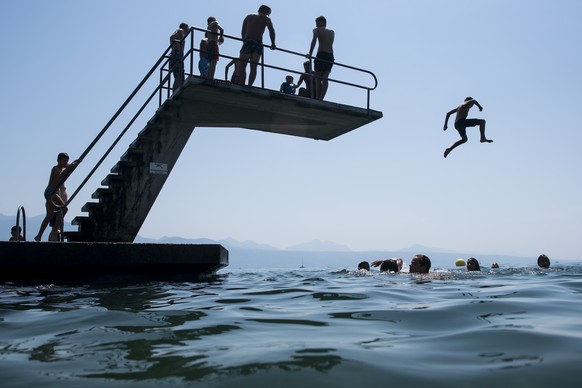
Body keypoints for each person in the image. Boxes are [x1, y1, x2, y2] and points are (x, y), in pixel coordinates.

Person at [34, 153, 78, 242]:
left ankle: (38, 236)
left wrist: (73, 164)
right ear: (58, 161)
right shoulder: (55, 169)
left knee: (49, 215)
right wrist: (69, 167)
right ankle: (55, 228)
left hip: (53, 193)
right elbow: (61, 176)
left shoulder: (62, 168)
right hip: (51, 192)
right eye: (63, 161)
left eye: (66, 161)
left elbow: (68, 167)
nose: (65, 163)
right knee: (64, 209)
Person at [236, 5, 276, 86]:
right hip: (257, 43)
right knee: (253, 67)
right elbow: (271, 30)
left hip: (248, 41)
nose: (268, 15)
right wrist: (273, 43)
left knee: (242, 65)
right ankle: (249, 86)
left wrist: (244, 40)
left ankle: (242, 84)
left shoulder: (249, 16)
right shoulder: (266, 18)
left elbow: (243, 31)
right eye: (268, 13)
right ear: (264, 10)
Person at [308, 16, 334, 100]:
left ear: (322, 22)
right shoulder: (332, 31)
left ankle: (317, 97)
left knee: (317, 77)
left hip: (321, 54)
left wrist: (310, 53)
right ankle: (321, 98)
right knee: (325, 78)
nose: (316, 25)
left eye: (317, 22)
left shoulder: (317, 30)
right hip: (330, 56)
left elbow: (314, 40)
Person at [169, 22, 190, 92]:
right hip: (176, 55)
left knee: (180, 76)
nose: (188, 30)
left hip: (179, 56)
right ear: (184, 27)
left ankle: (178, 91)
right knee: (178, 76)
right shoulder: (180, 31)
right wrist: (174, 50)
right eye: (187, 28)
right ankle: (175, 92)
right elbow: (172, 37)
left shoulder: (182, 35)